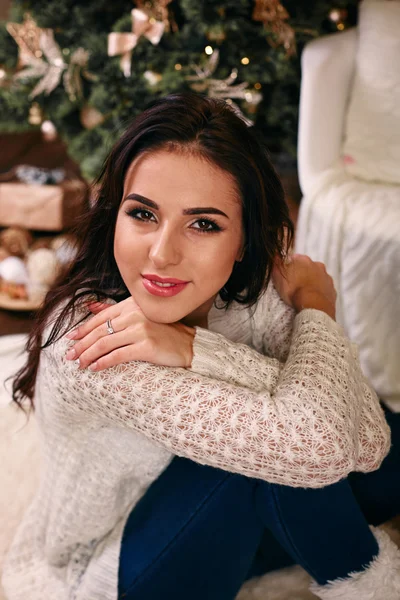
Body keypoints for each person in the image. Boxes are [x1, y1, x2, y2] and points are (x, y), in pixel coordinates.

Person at [3, 92, 400, 600]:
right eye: (142, 214)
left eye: (204, 224)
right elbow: (319, 444)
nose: (162, 254)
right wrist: (318, 310)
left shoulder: (251, 297)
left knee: (388, 445)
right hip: (118, 564)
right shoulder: (93, 338)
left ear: (243, 242)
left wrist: (195, 348)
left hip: (230, 524)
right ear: (114, 214)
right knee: (271, 453)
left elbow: (365, 443)